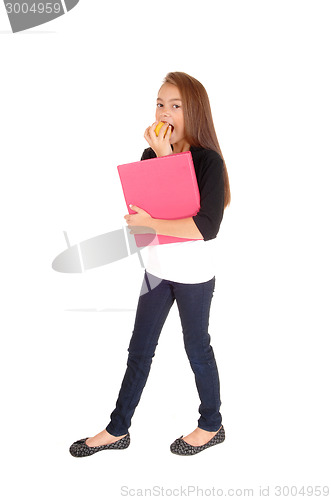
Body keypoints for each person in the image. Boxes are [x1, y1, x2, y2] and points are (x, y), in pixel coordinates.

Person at [69, 72, 231, 457]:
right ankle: (117, 429)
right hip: (157, 271)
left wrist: (165, 162)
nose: (165, 112)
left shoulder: (208, 161)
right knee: (139, 349)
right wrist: (145, 220)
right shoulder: (148, 156)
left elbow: (204, 227)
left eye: (175, 105)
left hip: (193, 276)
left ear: (194, 112)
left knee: (197, 348)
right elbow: (146, 218)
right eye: (160, 104)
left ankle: (212, 424)